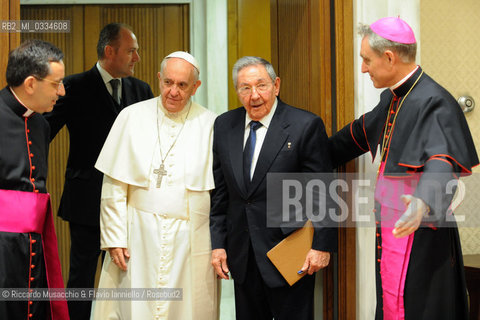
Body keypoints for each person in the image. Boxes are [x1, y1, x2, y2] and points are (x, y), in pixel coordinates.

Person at [329, 17, 479, 320]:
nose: (363, 68)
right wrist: (305, 150)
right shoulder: (395, 97)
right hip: (393, 228)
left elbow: (441, 161)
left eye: (366, 60)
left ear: (389, 57)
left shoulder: (434, 101)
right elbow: (356, 135)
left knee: (420, 308)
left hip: (420, 233)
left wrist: (422, 201)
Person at [91, 51, 218, 319]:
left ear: (196, 87)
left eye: (182, 85)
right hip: (138, 235)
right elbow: (113, 185)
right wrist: (114, 237)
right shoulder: (131, 116)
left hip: (189, 240)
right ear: (159, 79)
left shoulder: (210, 124)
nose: (173, 91)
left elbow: (220, 194)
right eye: (168, 82)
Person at [210, 56, 336, 320]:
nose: (254, 95)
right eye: (245, 88)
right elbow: (221, 193)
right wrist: (218, 244)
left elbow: (323, 191)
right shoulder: (224, 125)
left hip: (290, 252)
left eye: (261, 85)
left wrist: (322, 246)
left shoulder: (304, 125)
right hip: (243, 253)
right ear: (237, 91)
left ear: (276, 85)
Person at [43, 23, 153, 320]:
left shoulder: (142, 91)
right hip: (85, 201)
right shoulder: (74, 87)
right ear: (109, 51)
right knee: (82, 278)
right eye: (131, 51)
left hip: (131, 203)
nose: (137, 58)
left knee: (126, 276)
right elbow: (43, 132)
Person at [0, 39, 69, 319]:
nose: (62, 92)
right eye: (56, 84)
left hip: (34, 248)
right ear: (30, 84)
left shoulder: (41, 124)